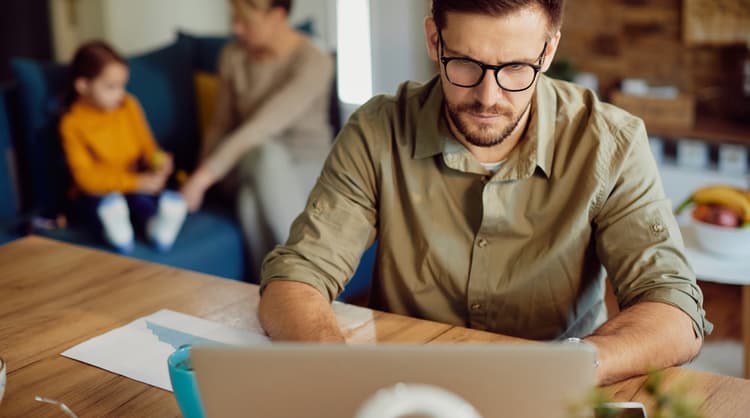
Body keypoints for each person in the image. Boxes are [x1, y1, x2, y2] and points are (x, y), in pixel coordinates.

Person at [257, 0, 713, 385]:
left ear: (548, 49)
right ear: (435, 41)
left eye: (516, 68)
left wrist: (567, 366)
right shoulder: (377, 131)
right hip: (407, 386)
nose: (488, 97)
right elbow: (297, 275)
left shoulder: (610, 142)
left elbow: (673, 306)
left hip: (560, 383)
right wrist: (337, 376)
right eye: (466, 65)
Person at [180, 0, 334, 275]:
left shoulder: (314, 61)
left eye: (245, 21)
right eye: (233, 18)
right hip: (249, 160)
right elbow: (219, 124)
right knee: (264, 155)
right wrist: (202, 177)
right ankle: (314, 288)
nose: (235, 28)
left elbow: (263, 125)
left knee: (251, 203)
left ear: (277, 15)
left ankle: (280, 291)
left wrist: (201, 179)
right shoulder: (232, 57)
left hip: (307, 165)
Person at [59, 41, 187, 254]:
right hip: (98, 190)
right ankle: (118, 233)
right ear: (82, 85)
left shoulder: (128, 105)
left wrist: (158, 160)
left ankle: (157, 228)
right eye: (110, 87)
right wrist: (135, 183)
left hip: (132, 182)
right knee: (101, 204)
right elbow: (85, 178)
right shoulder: (72, 123)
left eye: (122, 85)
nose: (119, 94)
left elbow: (147, 145)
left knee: (142, 200)